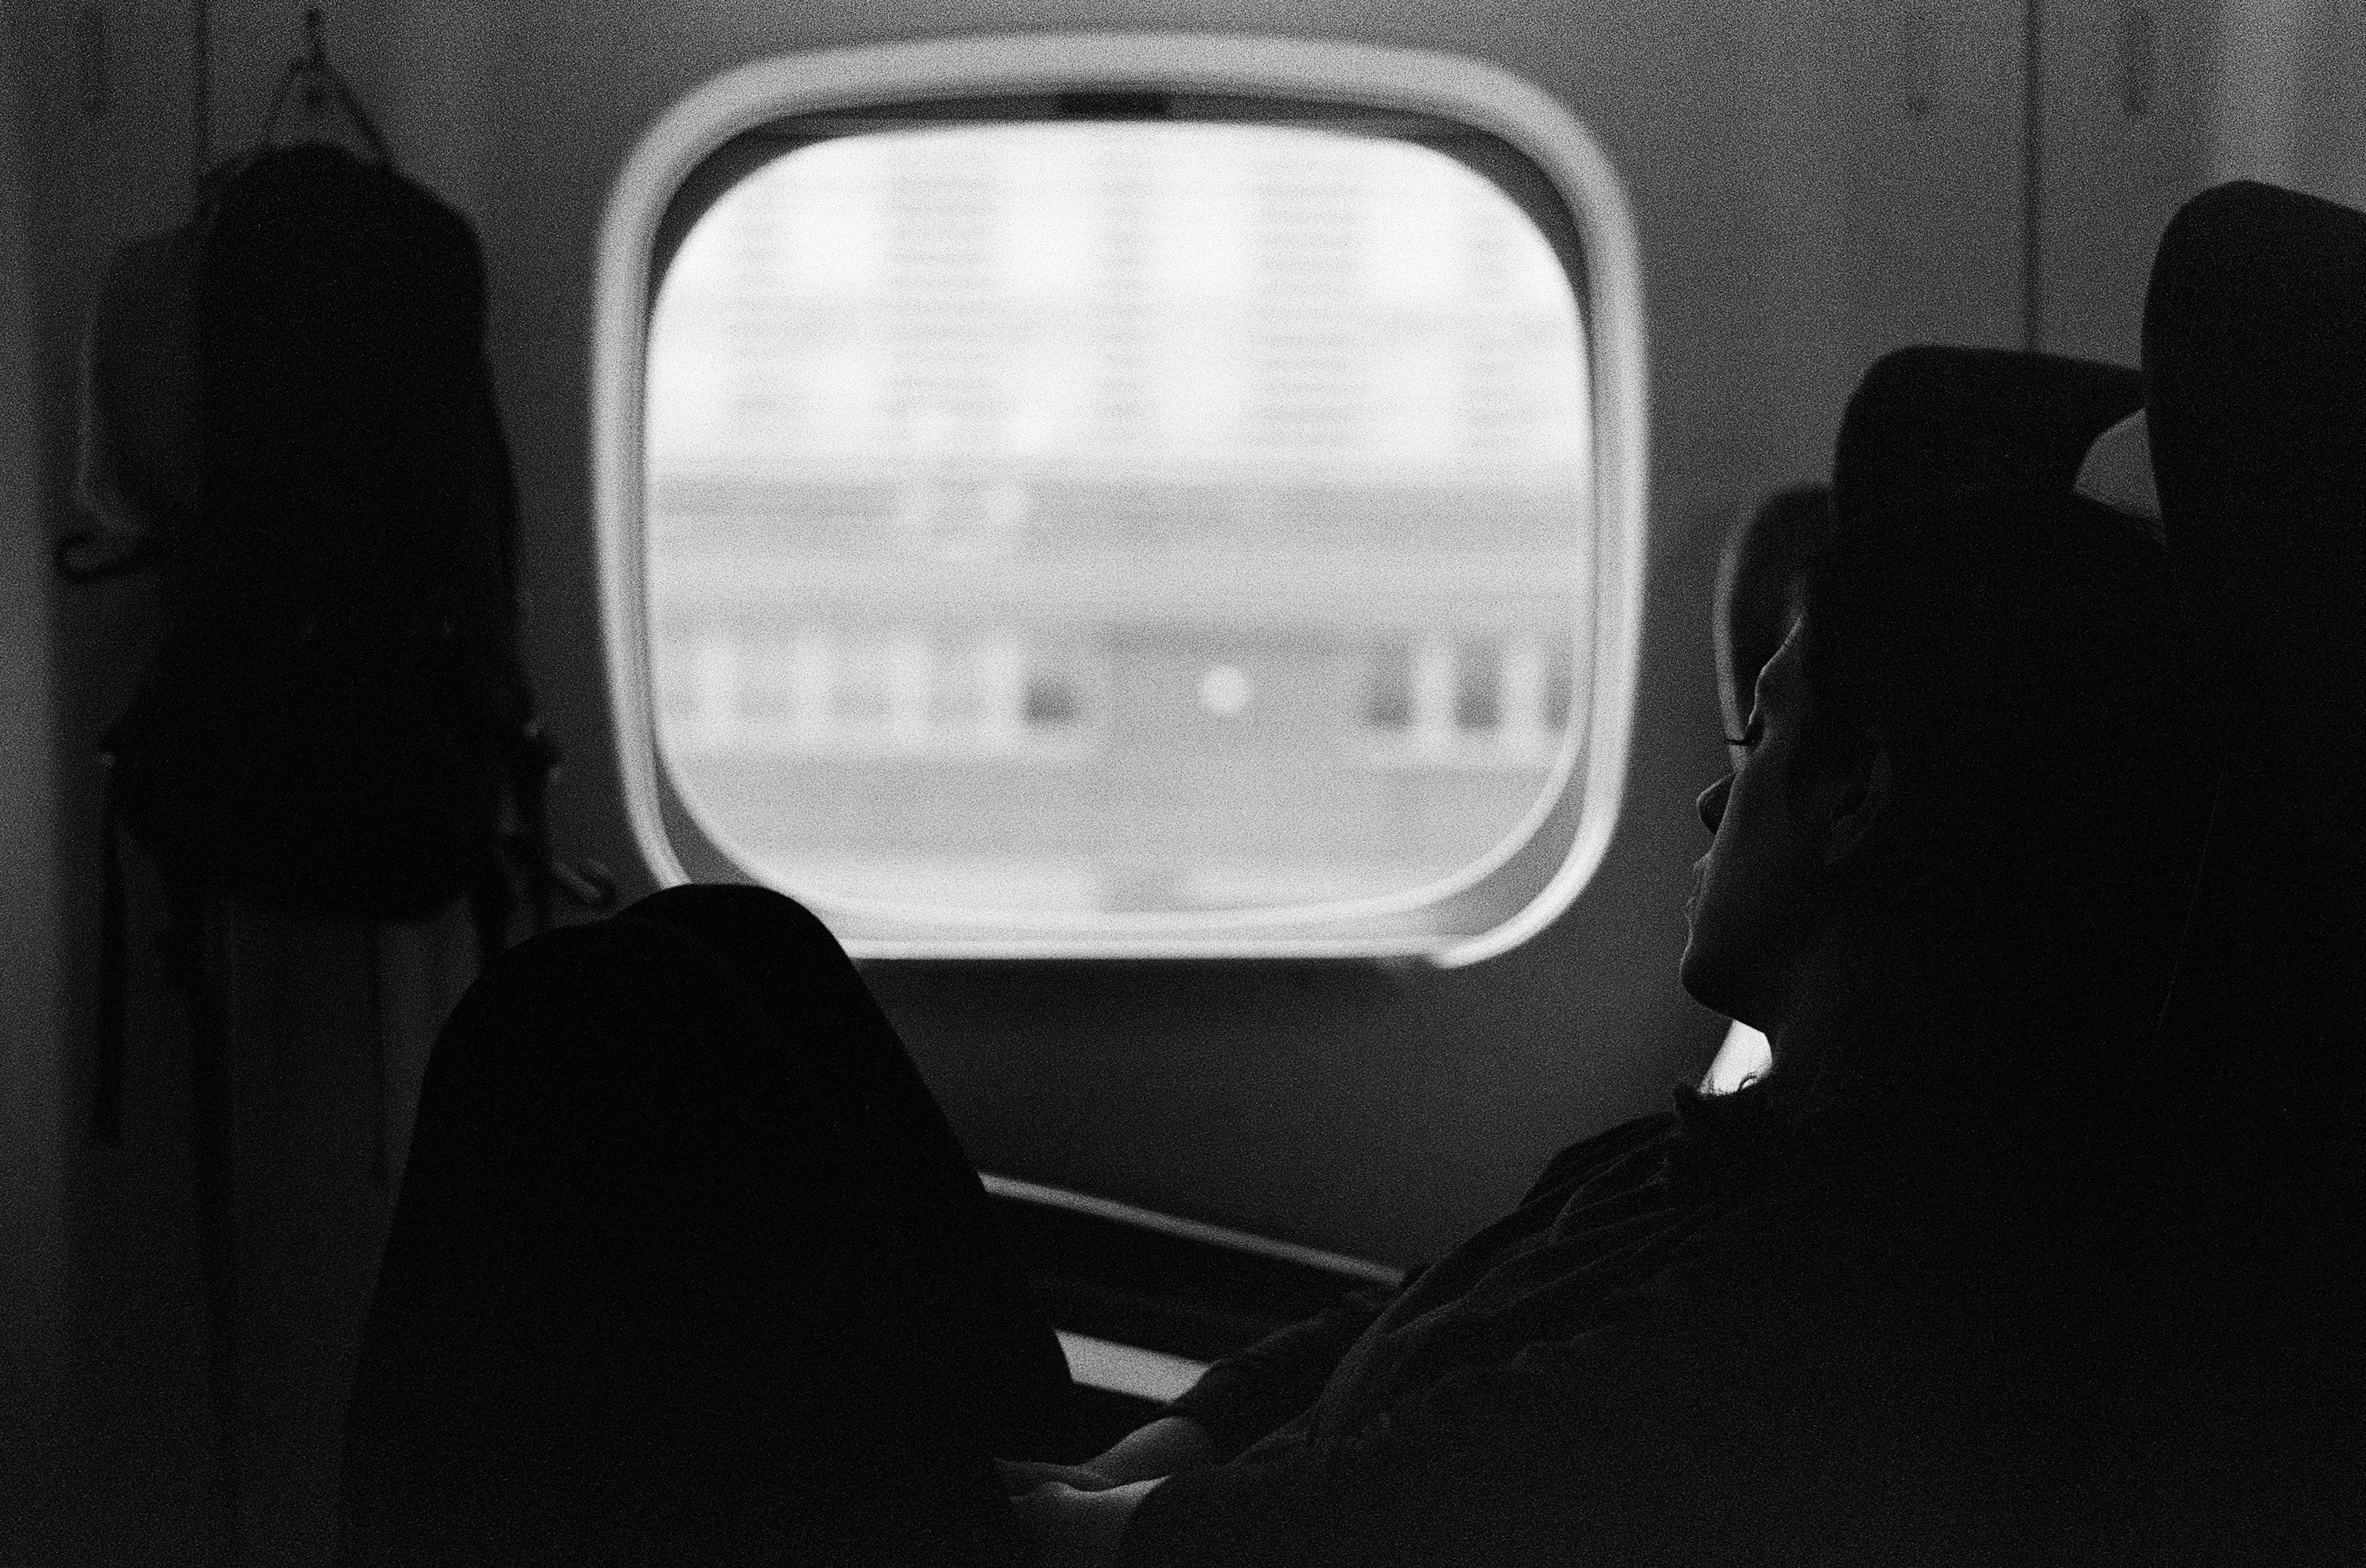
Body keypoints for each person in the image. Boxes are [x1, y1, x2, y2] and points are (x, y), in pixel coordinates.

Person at [336, 183, 2350, 1567]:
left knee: (574, 1054)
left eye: (1750, 737)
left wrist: (1076, 1531)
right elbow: (1442, 1322)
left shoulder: (1865, 1292)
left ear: (1864, 797)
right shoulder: (1771, 1142)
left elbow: (1448, 1518)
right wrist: (1178, 1440)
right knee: (731, 961)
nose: (1694, 802)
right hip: (1179, 1509)